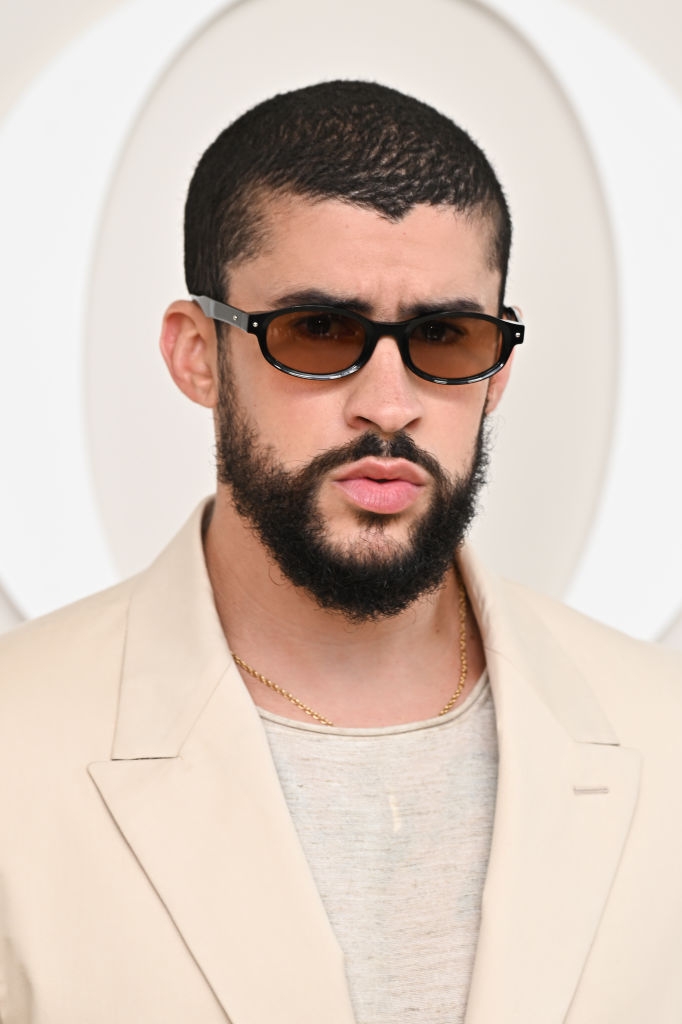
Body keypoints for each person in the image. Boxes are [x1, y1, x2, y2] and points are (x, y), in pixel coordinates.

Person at [0, 80, 681, 1024]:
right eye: (320, 332)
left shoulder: (664, 737)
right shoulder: (15, 742)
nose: (389, 405)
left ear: (500, 370)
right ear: (197, 352)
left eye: (445, 337)